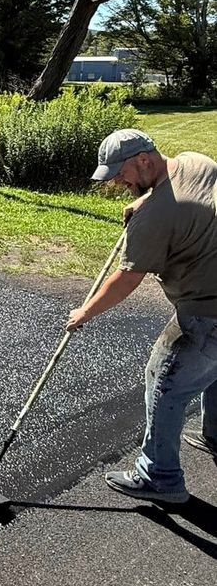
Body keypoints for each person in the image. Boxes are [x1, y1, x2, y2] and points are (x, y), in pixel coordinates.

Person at [65, 127, 217, 504]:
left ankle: (160, 476)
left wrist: (85, 311)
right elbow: (183, 197)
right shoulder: (195, 162)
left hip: (207, 311)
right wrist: (146, 198)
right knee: (212, 368)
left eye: (120, 173)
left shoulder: (155, 219)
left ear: (143, 160)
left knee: (164, 379)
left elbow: (127, 279)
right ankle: (215, 435)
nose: (117, 182)